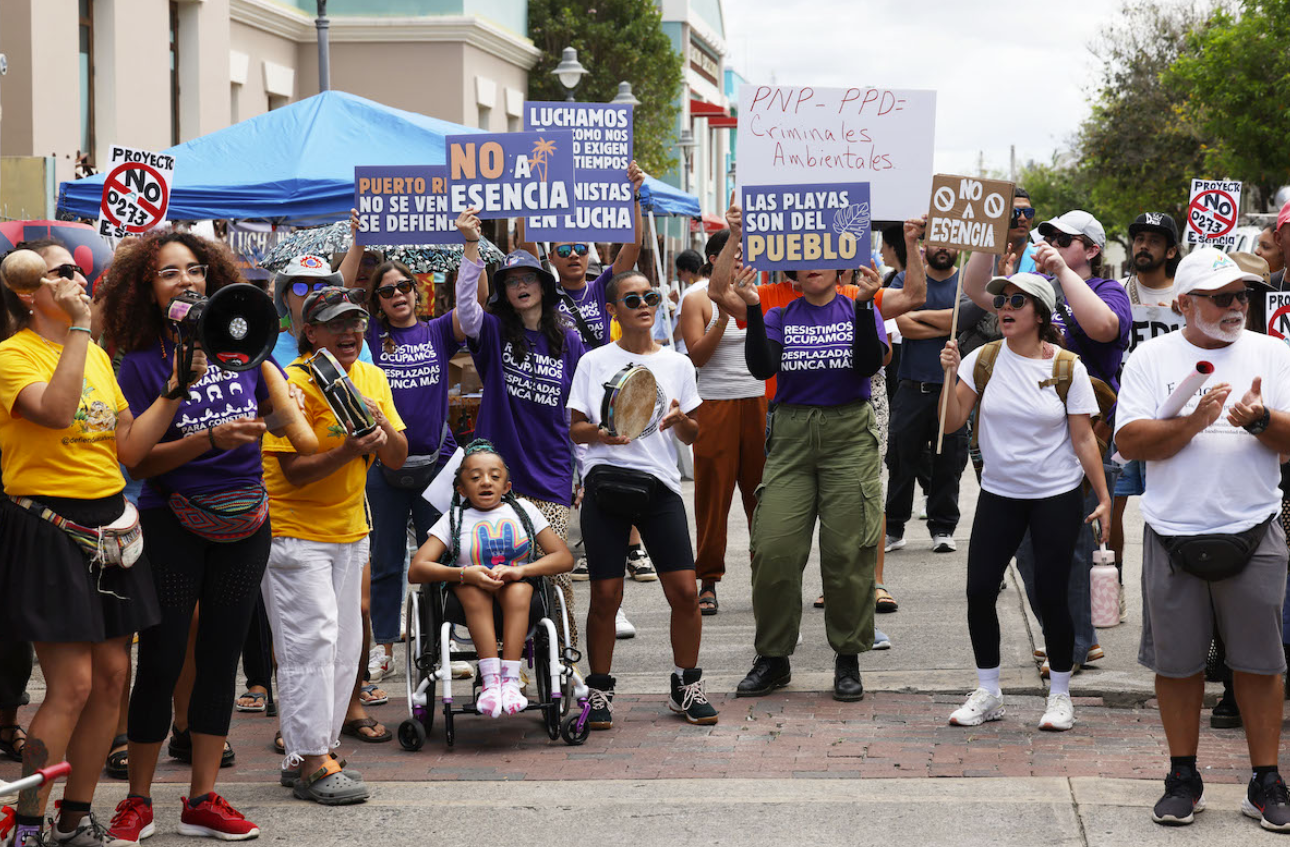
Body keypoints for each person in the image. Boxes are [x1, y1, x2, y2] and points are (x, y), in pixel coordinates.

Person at [0, 240, 193, 846]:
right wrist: (82, 328)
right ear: (29, 290)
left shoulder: (100, 358)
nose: (80, 280)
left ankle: (75, 816)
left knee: (113, 677)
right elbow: (56, 413)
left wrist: (174, 390)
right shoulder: (12, 354)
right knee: (73, 685)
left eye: (81, 271)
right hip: (49, 523)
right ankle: (27, 823)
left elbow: (128, 449)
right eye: (63, 272)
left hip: (111, 522)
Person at [99, 231, 270, 841]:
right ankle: (137, 801)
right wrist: (207, 435)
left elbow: (280, 417)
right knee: (164, 658)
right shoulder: (141, 362)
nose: (186, 281)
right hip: (173, 520)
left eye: (194, 269)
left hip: (246, 522)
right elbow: (139, 461)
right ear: (147, 288)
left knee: (221, 659)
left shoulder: (244, 345)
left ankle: (202, 798)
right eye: (169, 273)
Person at [1116, 247, 1290, 831]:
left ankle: (1266, 781)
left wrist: (1260, 420)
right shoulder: (1151, 356)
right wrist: (1194, 421)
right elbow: (1129, 442)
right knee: (1177, 666)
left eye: (1241, 295)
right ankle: (1183, 778)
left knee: (1261, 666)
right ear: (1184, 304)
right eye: (1220, 298)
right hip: (1173, 534)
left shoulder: (1274, 353)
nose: (1235, 305)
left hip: (1254, 529)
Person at [708, 212, 889, 703]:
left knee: (847, 552)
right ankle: (773, 657)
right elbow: (761, 366)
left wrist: (866, 307)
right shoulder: (778, 313)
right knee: (773, 548)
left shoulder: (858, 304)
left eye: (824, 256)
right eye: (805, 256)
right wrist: (750, 308)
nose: (814, 264)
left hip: (849, 436)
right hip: (789, 439)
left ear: (840, 263)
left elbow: (868, 364)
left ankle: (848, 657)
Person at [937, 272, 1110, 732]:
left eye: (1017, 301)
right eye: (1001, 301)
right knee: (978, 591)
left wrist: (1104, 497)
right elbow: (951, 422)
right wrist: (948, 374)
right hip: (1000, 494)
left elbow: (1084, 438)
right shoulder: (982, 359)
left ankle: (1060, 696)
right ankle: (989, 691)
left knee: (1052, 596)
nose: (1004, 308)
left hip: (1056, 496)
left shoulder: (1067, 368)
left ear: (1040, 313)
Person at [964, 209, 1130, 678]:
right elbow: (977, 291)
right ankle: (1068, 636)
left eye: (1063, 238)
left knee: (1072, 552)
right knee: (1029, 555)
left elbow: (1103, 328)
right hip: (1030, 442)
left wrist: (1059, 273)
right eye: (1048, 236)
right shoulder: (1034, 290)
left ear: (1092, 250)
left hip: (1084, 434)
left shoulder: (1107, 290)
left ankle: (1074, 645)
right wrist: (983, 236)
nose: (1051, 243)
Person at [260, 286, 407, 806]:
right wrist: (347, 450)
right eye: (337, 323)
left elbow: (397, 458)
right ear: (311, 332)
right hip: (294, 533)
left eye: (356, 322)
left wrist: (380, 425)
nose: (350, 332)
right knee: (310, 646)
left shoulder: (371, 376)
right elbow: (293, 472)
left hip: (350, 530)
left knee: (344, 647)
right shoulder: (290, 383)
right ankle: (311, 761)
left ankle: (309, 753)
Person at [568, 270, 714, 730]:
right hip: (607, 485)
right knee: (605, 595)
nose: (644, 305)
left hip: (660, 487)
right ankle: (599, 690)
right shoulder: (594, 361)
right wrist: (602, 434)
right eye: (632, 300)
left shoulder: (678, 363)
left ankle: (686, 684)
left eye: (650, 296)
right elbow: (575, 430)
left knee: (686, 592)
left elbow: (693, 433)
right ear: (613, 310)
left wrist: (680, 421)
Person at [453, 208, 587, 654]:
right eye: (512, 282)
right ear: (505, 293)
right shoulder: (492, 332)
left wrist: (581, 472)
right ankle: (512, 660)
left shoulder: (568, 340)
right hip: (498, 474)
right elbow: (466, 310)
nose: (521, 286)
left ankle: (563, 656)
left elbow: (577, 411)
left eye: (529, 279)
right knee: (499, 570)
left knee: (554, 570)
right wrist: (471, 246)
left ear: (543, 287)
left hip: (551, 472)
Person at [345, 238, 463, 687]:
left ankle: (441, 641)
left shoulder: (439, 331)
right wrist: (358, 244)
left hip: (436, 467)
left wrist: (471, 246)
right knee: (386, 561)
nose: (397, 295)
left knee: (441, 558)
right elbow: (342, 293)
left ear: (417, 291)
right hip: (382, 469)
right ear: (376, 302)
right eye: (387, 291)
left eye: (404, 287)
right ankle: (385, 648)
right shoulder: (370, 339)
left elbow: (474, 307)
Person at [407, 440, 574, 717]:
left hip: (518, 589)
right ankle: (491, 682)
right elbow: (417, 569)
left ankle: (510, 680)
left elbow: (563, 558)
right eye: (475, 477)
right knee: (474, 591)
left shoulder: (524, 510)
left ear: (506, 487)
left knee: (518, 590)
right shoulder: (453, 518)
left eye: (495, 477)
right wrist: (464, 573)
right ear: (461, 489)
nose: (486, 482)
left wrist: (521, 570)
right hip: (468, 595)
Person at [676, 229, 764, 617]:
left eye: (747, 252)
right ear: (715, 258)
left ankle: (766, 575)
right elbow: (697, 357)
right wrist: (722, 318)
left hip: (760, 401)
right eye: (734, 251)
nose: (742, 259)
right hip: (715, 403)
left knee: (763, 496)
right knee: (712, 497)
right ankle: (708, 579)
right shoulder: (696, 298)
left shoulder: (761, 293)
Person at [1109, 212, 1181, 624]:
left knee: (1168, 508)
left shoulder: (1188, 295)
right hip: (1122, 415)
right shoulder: (1117, 293)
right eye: (1139, 238)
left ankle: (1169, 592)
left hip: (1171, 417)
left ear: (1171, 251)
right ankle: (1111, 584)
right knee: (1109, 508)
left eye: (1154, 240)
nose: (1143, 246)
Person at [885, 239, 968, 554]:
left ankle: (943, 528)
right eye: (936, 242)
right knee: (900, 460)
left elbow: (964, 319)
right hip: (912, 387)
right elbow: (902, 324)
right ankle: (893, 529)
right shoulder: (905, 279)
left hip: (952, 389)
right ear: (925, 246)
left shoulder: (967, 281)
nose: (943, 248)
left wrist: (920, 315)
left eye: (949, 243)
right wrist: (948, 326)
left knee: (948, 461)